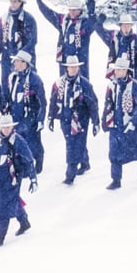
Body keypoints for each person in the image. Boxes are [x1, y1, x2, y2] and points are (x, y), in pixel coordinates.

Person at [101, 56, 137, 189]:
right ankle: (116, 180)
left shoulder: (135, 86)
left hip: (130, 125)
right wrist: (105, 120)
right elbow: (108, 104)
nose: (116, 72)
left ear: (125, 71)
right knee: (113, 153)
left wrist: (133, 122)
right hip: (115, 125)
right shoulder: (112, 86)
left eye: (119, 70)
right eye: (116, 70)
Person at [48, 55, 99, 185]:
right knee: (74, 143)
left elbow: (93, 103)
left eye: (75, 67)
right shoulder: (59, 84)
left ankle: (70, 175)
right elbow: (53, 101)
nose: (73, 69)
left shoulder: (84, 84)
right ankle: (85, 161)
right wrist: (50, 117)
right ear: (66, 68)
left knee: (73, 147)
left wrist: (95, 121)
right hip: (65, 119)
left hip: (81, 120)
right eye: (71, 67)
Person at [0, 114, 36, 247]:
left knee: (5, 207)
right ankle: (24, 223)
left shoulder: (18, 140)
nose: (6, 129)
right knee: (13, 201)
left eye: (8, 127)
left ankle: (0, 237)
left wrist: (33, 178)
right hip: (0, 179)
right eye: (4, 127)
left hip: (13, 179)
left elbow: (29, 159)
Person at [0, 50, 47, 179]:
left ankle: (37, 160)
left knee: (33, 141)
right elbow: (10, 96)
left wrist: (40, 119)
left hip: (30, 117)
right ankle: (23, 166)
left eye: (17, 61)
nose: (14, 63)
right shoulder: (14, 78)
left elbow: (42, 101)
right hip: (16, 116)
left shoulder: (35, 80)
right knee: (19, 142)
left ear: (24, 63)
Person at [33, 0, 94, 78]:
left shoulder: (85, 23)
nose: (72, 12)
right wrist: (39, 2)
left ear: (80, 10)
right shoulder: (64, 21)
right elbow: (49, 14)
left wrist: (92, 12)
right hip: (64, 60)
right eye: (70, 10)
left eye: (74, 10)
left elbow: (94, 24)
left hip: (80, 61)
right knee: (64, 84)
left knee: (81, 85)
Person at [0, 0, 38, 88]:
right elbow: (0, 37)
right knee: (6, 83)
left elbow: (32, 41)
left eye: (16, 1)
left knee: (26, 83)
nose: (13, 4)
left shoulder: (28, 19)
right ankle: (7, 103)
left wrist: (20, 57)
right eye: (11, 1)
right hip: (7, 56)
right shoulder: (4, 18)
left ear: (21, 2)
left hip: (25, 58)